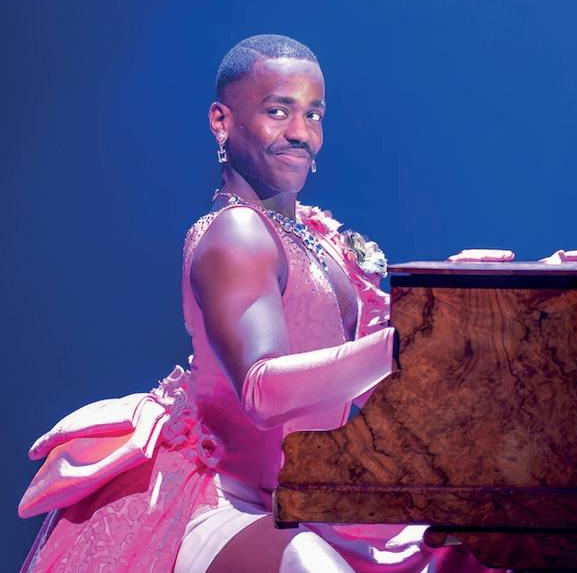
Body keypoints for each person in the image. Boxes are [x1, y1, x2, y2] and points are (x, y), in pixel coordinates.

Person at [18, 34, 504, 573]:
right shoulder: (237, 231)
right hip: (225, 498)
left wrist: (468, 297)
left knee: (477, 550)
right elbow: (261, 390)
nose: (301, 133)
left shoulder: (322, 238)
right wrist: (407, 342)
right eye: (278, 111)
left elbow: (378, 380)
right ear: (221, 122)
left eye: (313, 114)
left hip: (310, 501)